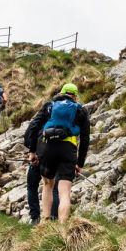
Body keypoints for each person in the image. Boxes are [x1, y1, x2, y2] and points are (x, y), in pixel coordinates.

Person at [24, 83, 90, 223]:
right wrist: (79, 163)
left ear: (61, 92)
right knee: (64, 192)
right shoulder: (80, 110)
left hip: (47, 148)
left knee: (48, 185)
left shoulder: (49, 106)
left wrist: (32, 151)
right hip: (68, 150)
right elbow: (85, 139)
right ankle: (62, 228)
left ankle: (45, 223)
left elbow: (34, 126)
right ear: (75, 96)